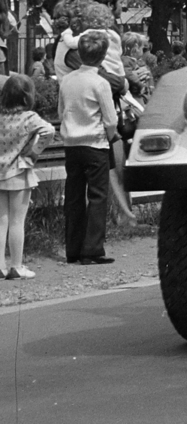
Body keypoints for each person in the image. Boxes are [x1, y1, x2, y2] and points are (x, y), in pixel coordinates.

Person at [58, 29, 120, 266]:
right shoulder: (101, 83)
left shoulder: (67, 81)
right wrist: (112, 137)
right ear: (104, 55)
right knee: (97, 195)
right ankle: (92, 249)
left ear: (79, 53)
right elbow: (110, 120)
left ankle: (72, 248)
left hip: (71, 144)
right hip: (95, 144)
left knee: (73, 196)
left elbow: (61, 111)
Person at [0, 74, 55, 279]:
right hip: (19, 171)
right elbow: (48, 130)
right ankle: (17, 265)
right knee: (17, 221)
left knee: (1, 221)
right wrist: (35, 151)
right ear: (26, 97)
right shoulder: (29, 117)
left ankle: (0, 264)